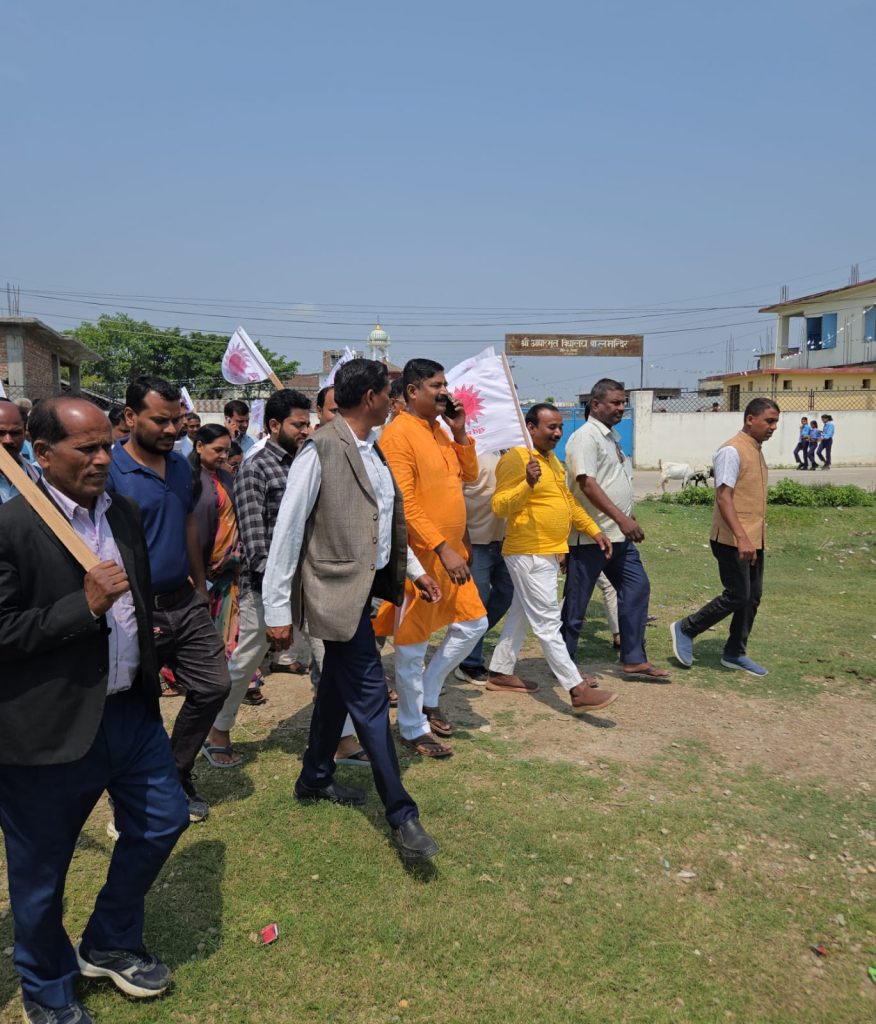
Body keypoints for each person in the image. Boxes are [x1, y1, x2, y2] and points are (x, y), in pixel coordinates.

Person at [0, 398, 188, 1024]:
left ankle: (108, 941)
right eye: (87, 449)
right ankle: (47, 989)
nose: (104, 459)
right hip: (48, 729)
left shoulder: (122, 513)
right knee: (41, 874)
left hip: (129, 713)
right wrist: (81, 607)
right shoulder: (13, 527)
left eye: (107, 445)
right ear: (42, 452)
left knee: (163, 821)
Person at [262, 359, 442, 864]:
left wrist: (413, 572)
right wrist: (276, 609)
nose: (394, 401)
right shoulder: (319, 449)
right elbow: (288, 531)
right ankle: (402, 814)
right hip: (332, 594)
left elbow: (381, 523)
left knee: (336, 692)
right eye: (389, 393)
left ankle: (314, 776)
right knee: (368, 696)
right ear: (370, 398)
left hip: (365, 592)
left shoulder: (372, 449)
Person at [108, 376, 231, 821]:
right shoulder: (109, 470)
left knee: (214, 685)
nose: (172, 429)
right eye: (160, 420)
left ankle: (175, 771)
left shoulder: (180, 466)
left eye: (176, 420)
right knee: (138, 706)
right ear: (129, 417)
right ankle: (132, 797)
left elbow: (188, 523)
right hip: (135, 610)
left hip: (185, 600)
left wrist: (199, 585)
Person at [374, 359, 488, 759]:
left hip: (452, 556)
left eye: (445, 384)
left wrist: (459, 432)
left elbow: (469, 475)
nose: (445, 392)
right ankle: (412, 727)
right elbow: (403, 504)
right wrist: (441, 547)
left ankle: (429, 690)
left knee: (475, 623)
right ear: (412, 391)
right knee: (411, 648)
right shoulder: (398, 435)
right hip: (420, 560)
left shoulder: (439, 429)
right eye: (436, 385)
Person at [202, 389, 312, 767]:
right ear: (274, 425)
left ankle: (339, 735)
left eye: (307, 423)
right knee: (248, 659)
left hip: (309, 580)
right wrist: (277, 594)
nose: (306, 430)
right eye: (298, 424)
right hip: (266, 585)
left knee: (328, 655)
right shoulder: (256, 467)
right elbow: (255, 540)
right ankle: (218, 729)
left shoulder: (306, 463)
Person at [488, 405, 618, 713]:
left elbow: (567, 501)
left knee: (522, 612)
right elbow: (499, 506)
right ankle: (576, 688)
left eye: (560, 427)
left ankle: (499, 671)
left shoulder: (551, 461)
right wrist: (527, 484)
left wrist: (593, 530)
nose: (558, 433)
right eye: (551, 427)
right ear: (530, 428)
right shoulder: (515, 459)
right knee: (547, 621)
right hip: (527, 551)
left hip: (547, 549)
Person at [561, 379, 670, 682]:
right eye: (615, 402)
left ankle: (634, 658)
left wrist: (626, 515)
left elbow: (611, 480)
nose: (621, 408)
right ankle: (565, 664)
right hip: (591, 536)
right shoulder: (585, 437)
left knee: (637, 587)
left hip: (618, 536)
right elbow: (587, 483)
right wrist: (621, 518)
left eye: (624, 402)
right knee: (577, 604)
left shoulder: (611, 438)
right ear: (596, 405)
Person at [670, 398, 780, 677]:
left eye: (776, 422)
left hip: (754, 538)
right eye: (769, 421)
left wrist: (752, 538)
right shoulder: (731, 450)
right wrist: (742, 537)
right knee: (737, 594)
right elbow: (723, 497)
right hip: (732, 538)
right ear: (750, 420)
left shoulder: (755, 449)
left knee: (752, 597)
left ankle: (734, 652)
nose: (773, 427)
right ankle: (686, 628)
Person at [453, 448, 514, 684]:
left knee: (506, 593)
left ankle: (465, 642)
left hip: (503, 539)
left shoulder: (509, 451)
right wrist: (463, 540)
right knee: (477, 603)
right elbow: (455, 499)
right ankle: (469, 662)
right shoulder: (469, 453)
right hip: (475, 541)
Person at [188, 425, 238, 657]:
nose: (224, 456)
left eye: (226, 451)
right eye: (218, 450)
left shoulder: (227, 477)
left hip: (229, 569)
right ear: (199, 446)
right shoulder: (188, 479)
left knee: (229, 624)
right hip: (201, 569)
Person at [0, 398, 41, 504]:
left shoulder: (40, 477)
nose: (8, 440)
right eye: (0, 433)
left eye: (15, 433)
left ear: (24, 434)